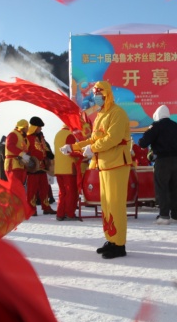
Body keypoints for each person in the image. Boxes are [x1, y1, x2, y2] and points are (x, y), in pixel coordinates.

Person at [60, 81, 132, 259]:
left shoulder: (117, 113)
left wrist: (93, 149)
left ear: (107, 94)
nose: (95, 97)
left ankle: (119, 244)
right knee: (106, 204)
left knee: (116, 204)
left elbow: (113, 138)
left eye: (98, 94)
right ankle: (111, 239)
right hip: (104, 164)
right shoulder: (101, 115)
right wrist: (73, 147)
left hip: (117, 163)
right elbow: (93, 140)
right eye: (94, 94)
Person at [138, 105, 177, 224]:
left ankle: (164, 215)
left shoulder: (156, 126)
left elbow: (143, 143)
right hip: (176, 161)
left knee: (162, 188)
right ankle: (176, 215)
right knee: (175, 188)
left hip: (162, 161)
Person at [26, 116, 55, 216]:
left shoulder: (41, 136)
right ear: (34, 127)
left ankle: (46, 207)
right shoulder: (27, 138)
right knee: (32, 189)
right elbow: (25, 151)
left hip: (43, 166)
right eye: (39, 127)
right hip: (33, 167)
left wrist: (48, 153)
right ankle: (31, 209)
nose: (41, 129)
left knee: (44, 188)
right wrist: (29, 163)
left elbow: (45, 146)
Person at [54, 124, 81, 220]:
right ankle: (70, 213)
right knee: (71, 192)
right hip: (69, 168)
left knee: (62, 192)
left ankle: (60, 213)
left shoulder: (57, 134)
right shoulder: (70, 135)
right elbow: (71, 152)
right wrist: (83, 154)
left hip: (58, 168)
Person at [4, 119, 31, 189]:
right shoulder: (13, 134)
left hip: (21, 164)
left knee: (19, 187)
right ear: (23, 127)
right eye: (27, 127)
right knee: (15, 187)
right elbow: (10, 146)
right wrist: (22, 154)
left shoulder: (22, 136)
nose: (28, 129)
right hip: (13, 165)